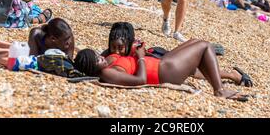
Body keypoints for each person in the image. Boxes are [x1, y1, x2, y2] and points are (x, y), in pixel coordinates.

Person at [75, 40, 251, 101]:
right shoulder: (106, 73)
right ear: (93, 68)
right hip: (164, 71)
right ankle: (219, 90)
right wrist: (141, 56)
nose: (102, 58)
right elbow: (140, 80)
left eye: (98, 55)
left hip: (162, 65)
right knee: (204, 46)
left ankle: (225, 79)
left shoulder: (106, 66)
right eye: (97, 60)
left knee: (195, 41)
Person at [101, 22, 253, 87]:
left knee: (195, 42)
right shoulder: (113, 57)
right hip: (165, 67)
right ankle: (228, 80)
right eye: (113, 47)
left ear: (129, 43)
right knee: (198, 57)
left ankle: (232, 74)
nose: (116, 51)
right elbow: (105, 61)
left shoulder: (132, 49)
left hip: (161, 61)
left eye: (120, 48)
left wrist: (139, 51)